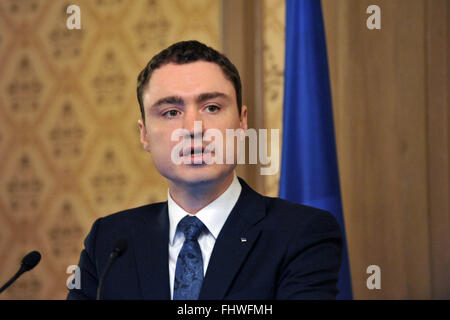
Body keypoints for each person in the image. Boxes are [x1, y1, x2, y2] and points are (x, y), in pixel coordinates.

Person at [67, 40, 342, 300]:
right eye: (171, 112)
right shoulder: (109, 242)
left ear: (242, 122)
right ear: (145, 135)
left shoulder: (301, 233)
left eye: (212, 107)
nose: (193, 128)